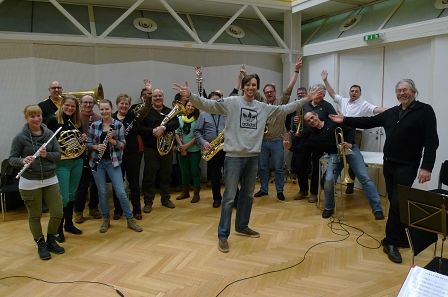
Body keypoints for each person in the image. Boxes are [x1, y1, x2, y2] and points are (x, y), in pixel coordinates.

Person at [173, 74, 322, 253]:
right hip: (234, 157)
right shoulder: (232, 102)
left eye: (254, 85)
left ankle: (242, 226)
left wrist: (306, 98)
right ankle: (223, 235)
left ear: (256, 87)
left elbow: (285, 109)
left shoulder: (262, 107)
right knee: (229, 198)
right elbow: (209, 105)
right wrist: (190, 96)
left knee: (248, 195)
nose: (251, 87)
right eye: (248, 84)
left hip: (252, 157)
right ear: (243, 86)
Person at [329, 79, 438, 264]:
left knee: (396, 203)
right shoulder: (392, 112)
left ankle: (390, 242)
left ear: (413, 91)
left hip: (408, 166)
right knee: (396, 201)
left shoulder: (424, 111)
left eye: (405, 90)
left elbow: (431, 141)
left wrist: (426, 167)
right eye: (398, 90)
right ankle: (401, 237)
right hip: (389, 164)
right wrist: (345, 119)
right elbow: (369, 120)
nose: (402, 93)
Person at [285, 111, 384, 220]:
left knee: (364, 177)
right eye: (308, 121)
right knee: (328, 180)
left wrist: (350, 142)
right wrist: (290, 147)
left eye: (312, 117)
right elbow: (303, 150)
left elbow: (349, 129)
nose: (312, 121)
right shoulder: (314, 137)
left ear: (317, 115)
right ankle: (329, 207)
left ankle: (377, 209)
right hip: (335, 154)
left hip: (349, 149)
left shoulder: (332, 122)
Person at [9, 104, 65, 260]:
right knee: (35, 215)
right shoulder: (20, 138)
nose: (36, 119)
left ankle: (51, 240)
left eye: (38, 115)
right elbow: (12, 159)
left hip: (50, 178)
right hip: (29, 181)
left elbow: (58, 155)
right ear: (27, 118)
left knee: (57, 212)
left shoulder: (49, 135)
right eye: (32, 116)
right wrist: (22, 160)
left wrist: (47, 154)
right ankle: (41, 244)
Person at [321, 70, 387, 194]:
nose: (354, 93)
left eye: (356, 91)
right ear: (350, 92)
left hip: (355, 134)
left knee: (351, 158)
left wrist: (395, 110)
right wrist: (325, 80)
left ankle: (350, 184)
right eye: (352, 91)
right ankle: (328, 182)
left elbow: (377, 109)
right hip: (339, 131)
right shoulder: (344, 100)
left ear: (360, 93)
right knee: (337, 156)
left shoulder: (364, 104)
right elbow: (332, 94)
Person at [88, 99, 143, 233]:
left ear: (112, 109)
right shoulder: (94, 125)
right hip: (97, 162)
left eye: (107, 109)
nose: (104, 112)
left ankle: (130, 219)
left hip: (114, 162)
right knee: (102, 192)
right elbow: (88, 144)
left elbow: (123, 144)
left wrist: (112, 140)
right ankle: (106, 219)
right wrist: (95, 146)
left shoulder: (118, 125)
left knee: (121, 191)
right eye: (102, 109)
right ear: (99, 111)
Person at [253, 57, 302, 201]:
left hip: (277, 142)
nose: (269, 94)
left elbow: (290, 87)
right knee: (262, 168)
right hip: (262, 142)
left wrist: (296, 70)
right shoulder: (260, 102)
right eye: (266, 92)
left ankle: (280, 191)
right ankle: (263, 189)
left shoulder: (281, 102)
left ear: (275, 92)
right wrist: (244, 75)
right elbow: (252, 88)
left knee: (279, 168)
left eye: (271, 91)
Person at [46, 95, 84, 242]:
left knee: (72, 194)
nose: (70, 108)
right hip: (61, 162)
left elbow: (75, 139)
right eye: (67, 105)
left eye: (73, 106)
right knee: (63, 198)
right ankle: (58, 229)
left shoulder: (76, 121)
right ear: (61, 105)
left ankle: (69, 224)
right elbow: (46, 141)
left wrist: (81, 139)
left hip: (77, 161)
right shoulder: (52, 121)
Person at [138, 80, 179, 213]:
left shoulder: (169, 111)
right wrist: (152, 131)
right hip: (151, 149)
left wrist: (163, 127)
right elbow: (139, 128)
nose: (157, 98)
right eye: (155, 96)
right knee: (149, 176)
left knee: (166, 175)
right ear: (151, 98)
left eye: (160, 95)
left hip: (166, 149)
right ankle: (148, 201)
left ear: (163, 97)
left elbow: (176, 124)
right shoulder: (146, 112)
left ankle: (165, 198)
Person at [294, 84, 337, 203]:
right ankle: (303, 190)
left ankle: (314, 192)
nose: (317, 95)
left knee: (316, 166)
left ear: (323, 94)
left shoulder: (328, 106)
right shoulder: (305, 105)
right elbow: (300, 120)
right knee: (299, 164)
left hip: (320, 140)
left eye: (319, 93)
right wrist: (296, 121)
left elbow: (333, 122)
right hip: (305, 138)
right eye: (315, 92)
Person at [111, 93, 143, 220]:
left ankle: (137, 210)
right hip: (116, 155)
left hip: (132, 154)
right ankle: (118, 210)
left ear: (129, 106)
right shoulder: (112, 119)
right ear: (117, 104)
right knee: (117, 184)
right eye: (122, 103)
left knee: (134, 183)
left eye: (126, 104)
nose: (124, 106)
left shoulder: (134, 117)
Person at [194, 91, 226, 208]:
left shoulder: (225, 113)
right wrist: (204, 142)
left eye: (217, 100)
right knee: (214, 176)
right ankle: (216, 198)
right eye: (212, 100)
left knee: (230, 175)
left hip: (226, 148)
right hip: (212, 150)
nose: (215, 102)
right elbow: (197, 132)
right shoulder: (204, 114)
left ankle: (232, 199)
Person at [73, 94, 102, 223]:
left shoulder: (98, 118)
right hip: (80, 155)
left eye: (91, 102)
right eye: (85, 102)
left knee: (95, 184)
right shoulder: (75, 117)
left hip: (94, 154)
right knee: (81, 185)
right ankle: (78, 211)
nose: (88, 105)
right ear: (81, 104)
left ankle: (93, 207)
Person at [174, 100, 202, 203]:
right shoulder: (179, 118)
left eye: (192, 106)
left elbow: (197, 136)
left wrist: (186, 146)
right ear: (185, 106)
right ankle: (185, 192)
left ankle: (196, 193)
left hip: (194, 150)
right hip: (181, 150)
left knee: (195, 172)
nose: (190, 108)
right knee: (184, 172)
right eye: (188, 105)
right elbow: (176, 133)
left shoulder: (198, 119)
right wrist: (181, 147)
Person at [285, 87, 308, 182]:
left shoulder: (309, 104)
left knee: (307, 154)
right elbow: (287, 117)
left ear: (306, 94)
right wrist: (289, 129)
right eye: (299, 93)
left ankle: (308, 171)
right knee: (295, 154)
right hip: (296, 132)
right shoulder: (295, 105)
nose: (300, 95)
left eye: (302, 93)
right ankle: (294, 172)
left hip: (307, 133)